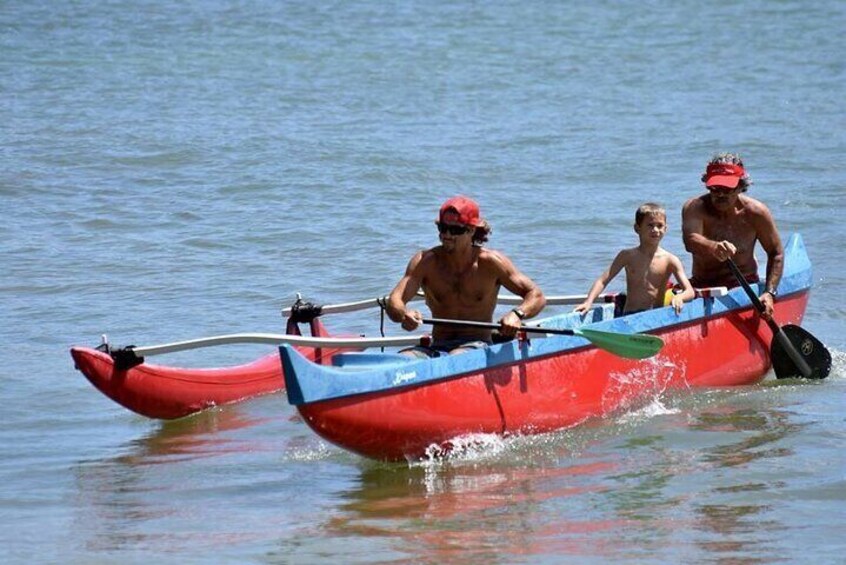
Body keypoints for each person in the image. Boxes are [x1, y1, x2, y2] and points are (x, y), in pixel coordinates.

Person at [386, 196, 546, 357]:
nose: (446, 235)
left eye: (455, 230)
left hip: (478, 345)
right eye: (442, 228)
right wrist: (403, 314)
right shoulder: (425, 262)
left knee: (457, 356)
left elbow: (536, 295)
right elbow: (394, 301)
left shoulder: (491, 262)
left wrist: (516, 315)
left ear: (471, 230)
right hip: (438, 345)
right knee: (400, 360)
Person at [682, 153, 783, 319]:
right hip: (702, 283)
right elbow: (690, 240)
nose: (721, 194)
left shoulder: (756, 213)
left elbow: (776, 253)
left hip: (743, 285)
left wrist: (770, 293)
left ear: (741, 186)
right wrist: (713, 247)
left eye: (727, 189)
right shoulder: (695, 207)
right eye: (715, 188)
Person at [574, 203, 695, 316]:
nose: (655, 230)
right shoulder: (627, 256)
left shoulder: (670, 260)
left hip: (654, 315)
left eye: (660, 226)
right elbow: (603, 280)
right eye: (650, 225)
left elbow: (689, 291)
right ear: (637, 228)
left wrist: (679, 297)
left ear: (665, 229)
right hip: (629, 315)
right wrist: (588, 302)